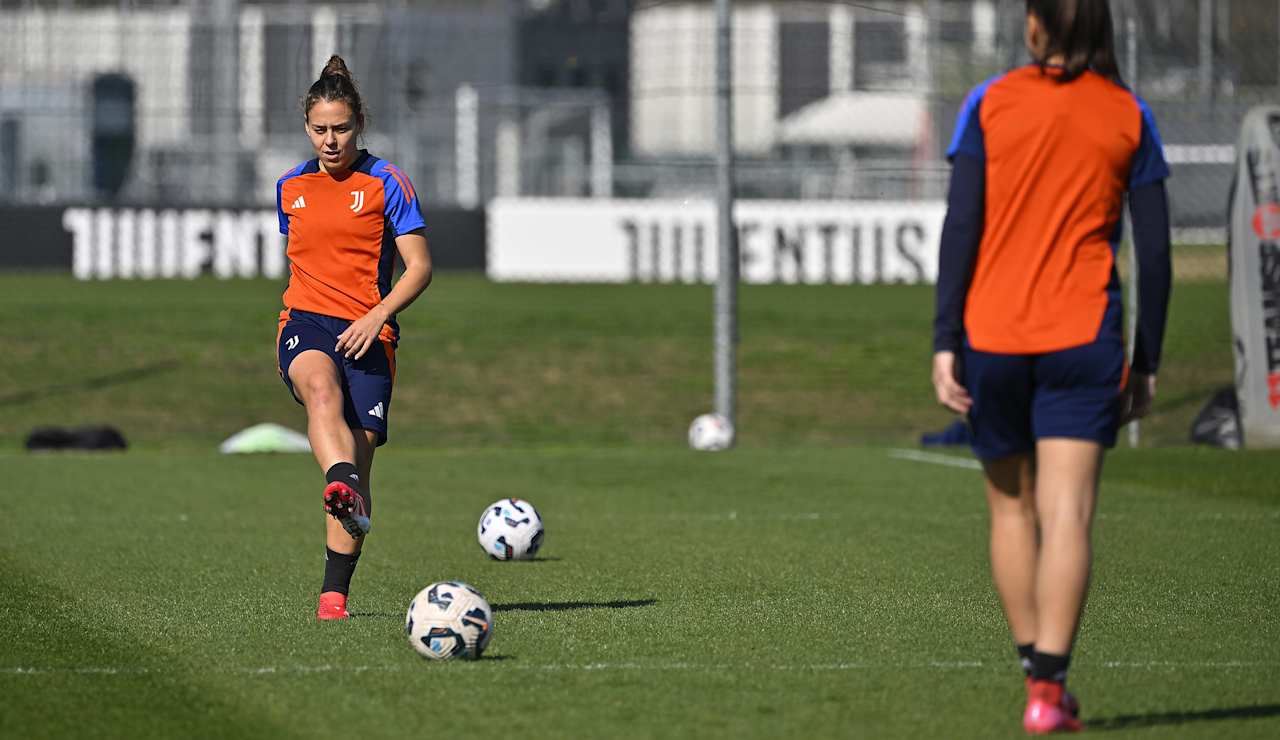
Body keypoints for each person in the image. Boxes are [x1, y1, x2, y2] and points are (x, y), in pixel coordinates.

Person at [932, 1, 1171, 733]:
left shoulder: (990, 102)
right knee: (1069, 513)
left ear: (1035, 26)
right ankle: (1047, 693)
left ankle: (1033, 671)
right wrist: (1146, 361)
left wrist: (946, 339)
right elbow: (1155, 254)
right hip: (1084, 339)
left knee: (1012, 509)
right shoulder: (1129, 113)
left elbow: (961, 227)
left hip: (995, 339)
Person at [275, 55, 432, 621]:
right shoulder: (290, 187)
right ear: (307, 128)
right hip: (306, 323)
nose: (330, 140)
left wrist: (376, 315)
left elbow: (418, 267)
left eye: (340, 128)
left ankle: (333, 595)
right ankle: (338, 479)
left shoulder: (387, 181)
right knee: (320, 393)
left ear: (358, 124)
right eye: (320, 129)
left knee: (358, 467)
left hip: (370, 332)